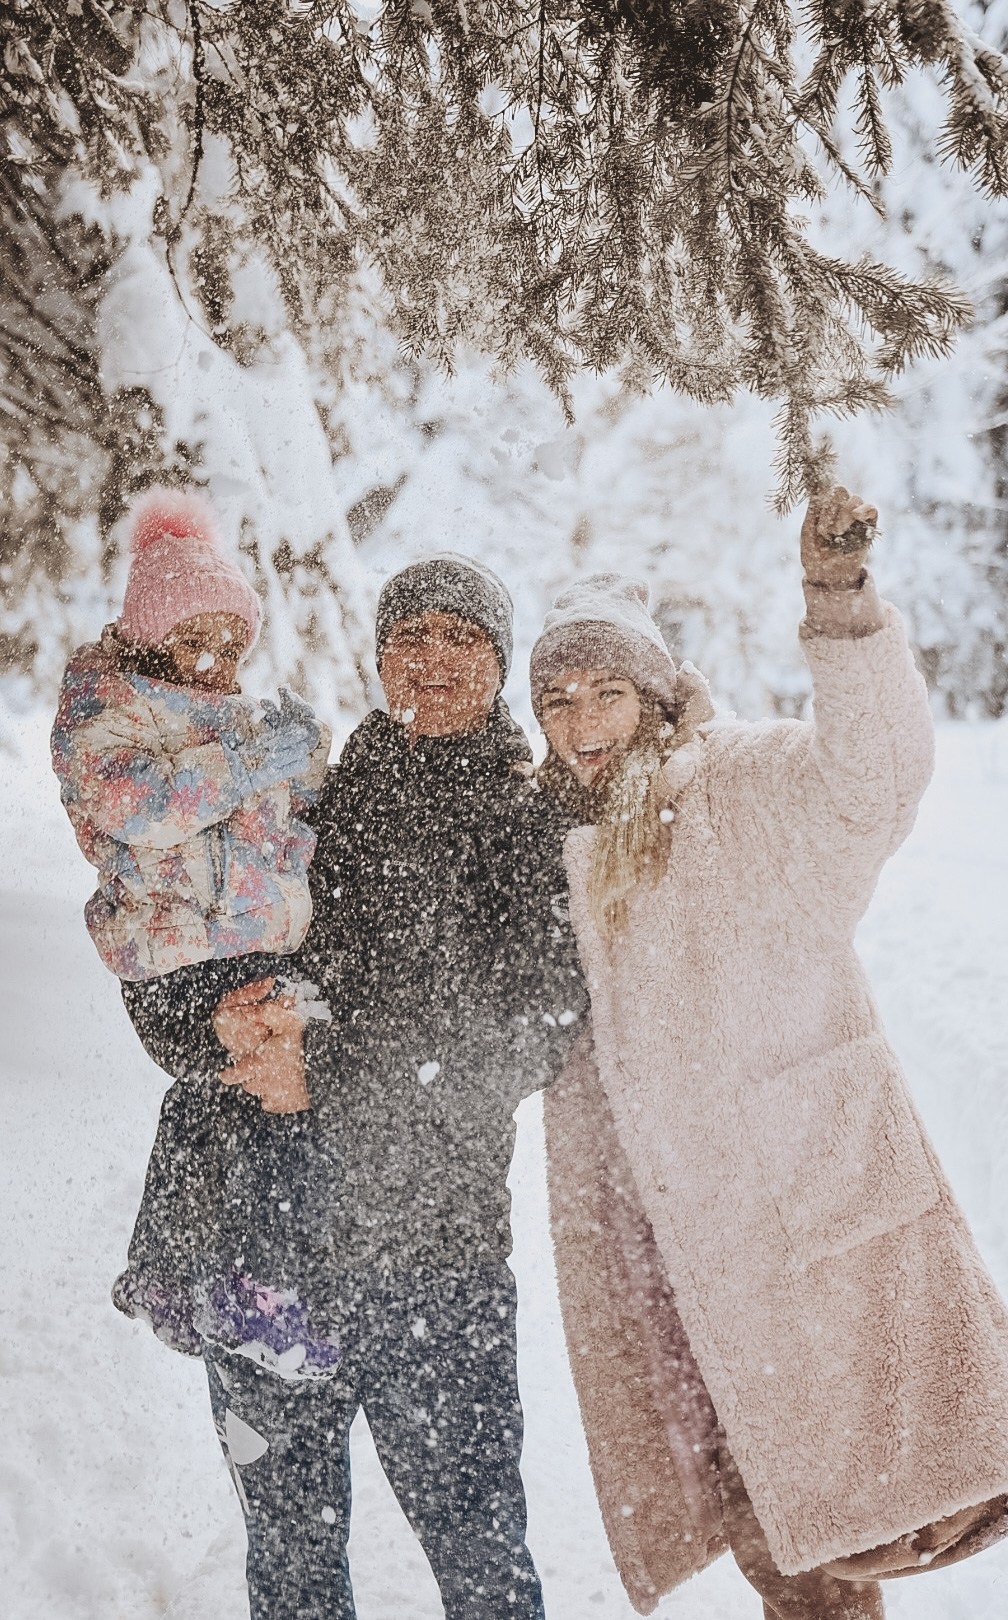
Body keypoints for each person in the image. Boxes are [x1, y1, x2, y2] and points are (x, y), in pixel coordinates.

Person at [532, 487, 1008, 1620]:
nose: (583, 721)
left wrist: (839, 609)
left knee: (875, 1513)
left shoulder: (735, 785)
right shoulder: (556, 838)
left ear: (659, 693)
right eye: (560, 698)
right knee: (770, 1522)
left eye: (609, 691)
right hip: (666, 1241)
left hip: (799, 1206)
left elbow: (873, 782)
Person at [121, 553, 588, 1620]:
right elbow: (171, 952)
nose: (432, 658)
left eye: (461, 638)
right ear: (378, 657)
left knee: (481, 1562)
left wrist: (320, 1068)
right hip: (268, 1253)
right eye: (409, 635)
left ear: (499, 666)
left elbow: (530, 1034)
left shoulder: (526, 828)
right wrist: (216, 1023)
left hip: (437, 1261)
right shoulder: (299, 804)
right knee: (290, 1566)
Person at [51, 486, 341, 1378]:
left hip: (240, 945)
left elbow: (278, 824)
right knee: (271, 1099)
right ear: (148, 636)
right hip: (177, 958)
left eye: (230, 643)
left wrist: (305, 769)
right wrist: (254, 757)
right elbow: (145, 806)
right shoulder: (108, 711)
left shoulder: (231, 718)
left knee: (223, 1097)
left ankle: (171, 1271)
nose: (215, 661)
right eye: (193, 640)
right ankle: (259, 1292)